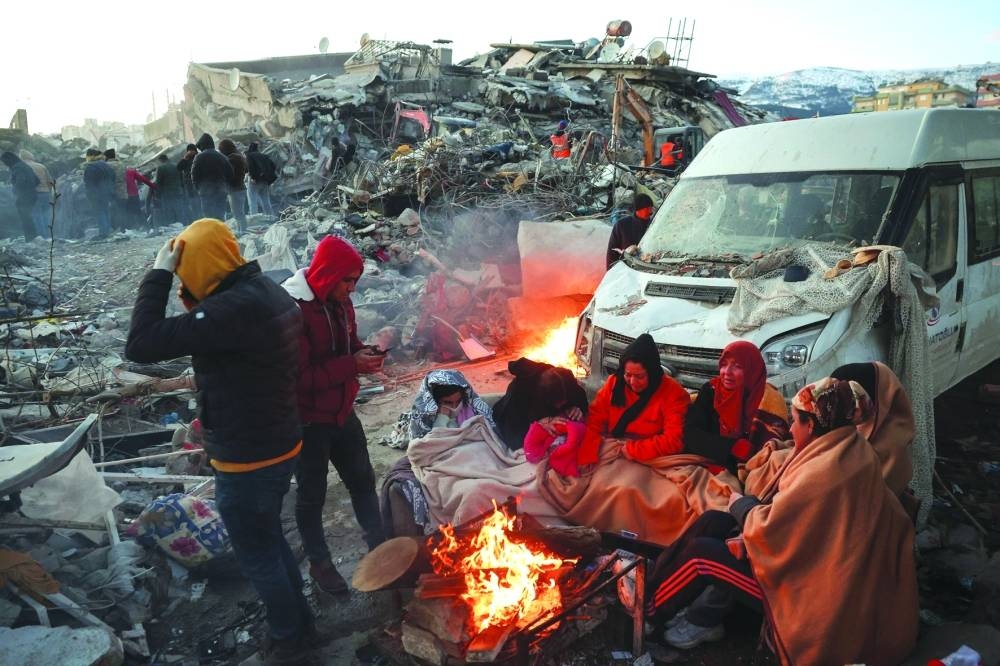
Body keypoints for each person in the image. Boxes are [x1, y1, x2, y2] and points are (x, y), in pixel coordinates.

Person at [124, 219, 315, 664]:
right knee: (270, 537)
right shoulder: (266, 289)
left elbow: (141, 343)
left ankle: (289, 638)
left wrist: (158, 274)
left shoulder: (229, 312)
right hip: (281, 439)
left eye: (185, 269)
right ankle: (301, 621)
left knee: (257, 553)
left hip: (248, 456)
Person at [646, 377, 918, 664]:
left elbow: (771, 529)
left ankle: (649, 612)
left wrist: (742, 507)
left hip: (810, 593)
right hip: (816, 566)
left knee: (701, 556)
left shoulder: (825, 471)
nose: (790, 429)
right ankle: (654, 587)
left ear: (811, 426)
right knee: (713, 519)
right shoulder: (852, 448)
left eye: (795, 421)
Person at [281, 235, 386, 595]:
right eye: (347, 280)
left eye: (355, 281)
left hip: (342, 410)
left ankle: (380, 547)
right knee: (312, 494)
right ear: (327, 274)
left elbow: (348, 345)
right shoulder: (294, 310)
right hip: (309, 420)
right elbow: (299, 378)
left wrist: (364, 354)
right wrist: (351, 365)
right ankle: (320, 563)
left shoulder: (341, 302)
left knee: (362, 480)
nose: (352, 288)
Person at [380, 369, 497, 538]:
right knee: (473, 493)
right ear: (435, 401)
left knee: (490, 484)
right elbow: (424, 448)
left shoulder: (470, 409)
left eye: (457, 401)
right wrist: (442, 418)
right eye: (447, 402)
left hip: (476, 456)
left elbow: (484, 433)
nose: (454, 407)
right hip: (444, 464)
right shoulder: (425, 416)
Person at [576, 333, 690, 465]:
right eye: (628, 375)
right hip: (613, 447)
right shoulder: (615, 383)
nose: (633, 382)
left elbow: (674, 440)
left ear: (652, 372)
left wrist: (632, 450)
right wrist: (588, 455)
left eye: (640, 377)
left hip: (650, 455)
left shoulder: (674, 394)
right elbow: (595, 419)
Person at [684, 340, 789, 473]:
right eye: (724, 364)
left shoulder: (769, 400)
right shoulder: (711, 391)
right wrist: (731, 447)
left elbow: (769, 453)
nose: (727, 372)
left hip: (751, 471)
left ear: (752, 370)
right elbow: (691, 434)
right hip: (706, 463)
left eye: (737, 366)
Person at [491, 358, 588, 452]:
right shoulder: (521, 390)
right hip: (518, 421)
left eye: (564, 402)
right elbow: (513, 435)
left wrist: (576, 409)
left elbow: (582, 404)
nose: (559, 407)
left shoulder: (567, 384)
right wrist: (538, 424)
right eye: (557, 403)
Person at [191, 133, 234, 221]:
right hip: (220, 190)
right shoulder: (222, 156)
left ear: (203, 145)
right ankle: (220, 229)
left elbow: (194, 175)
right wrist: (225, 185)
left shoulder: (199, 157)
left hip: (206, 191)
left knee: (208, 217)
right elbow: (230, 173)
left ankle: (211, 229)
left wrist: (198, 188)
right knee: (220, 215)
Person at [606, 193, 655, 269]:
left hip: (651, 267)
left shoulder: (654, 224)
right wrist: (611, 272)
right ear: (638, 210)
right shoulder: (621, 225)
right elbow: (611, 254)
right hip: (628, 270)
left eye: (651, 209)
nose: (650, 212)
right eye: (647, 209)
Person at [1, 151, 40, 241]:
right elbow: (37, 181)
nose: (5, 164)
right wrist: (30, 187)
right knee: (28, 217)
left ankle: (30, 238)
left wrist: (15, 190)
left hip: (24, 196)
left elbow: (20, 181)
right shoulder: (25, 166)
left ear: (8, 160)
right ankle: (33, 237)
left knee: (25, 218)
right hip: (33, 195)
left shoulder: (17, 168)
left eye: (4, 162)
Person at [18, 150, 54, 239]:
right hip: (46, 193)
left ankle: (42, 237)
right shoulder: (41, 166)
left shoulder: (22, 167)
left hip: (34, 194)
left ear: (21, 158)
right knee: (46, 215)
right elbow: (50, 181)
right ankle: (49, 236)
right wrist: (50, 193)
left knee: (37, 215)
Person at [82, 149, 115, 240]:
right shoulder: (106, 165)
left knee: (100, 212)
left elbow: (89, 183)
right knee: (106, 211)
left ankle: (103, 233)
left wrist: (91, 195)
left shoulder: (90, 167)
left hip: (96, 194)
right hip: (107, 192)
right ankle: (107, 231)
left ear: (91, 156)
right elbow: (113, 177)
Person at [218, 139, 248, 235]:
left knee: (238, 213)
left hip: (235, 189)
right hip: (240, 187)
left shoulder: (232, 158)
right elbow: (246, 170)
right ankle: (242, 231)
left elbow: (229, 174)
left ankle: (243, 232)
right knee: (239, 212)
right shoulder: (239, 156)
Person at [153, 153, 185, 230]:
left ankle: (171, 228)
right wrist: (183, 191)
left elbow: (159, 183)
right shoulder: (177, 165)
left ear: (161, 160)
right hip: (178, 192)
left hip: (167, 194)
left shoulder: (161, 168)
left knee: (168, 212)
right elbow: (182, 179)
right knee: (179, 210)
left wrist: (157, 195)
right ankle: (181, 226)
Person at [246, 142, 277, 217]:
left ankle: (254, 217)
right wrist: (267, 176)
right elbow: (273, 165)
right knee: (266, 200)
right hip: (265, 181)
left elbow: (250, 167)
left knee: (252, 200)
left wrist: (253, 177)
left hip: (254, 181)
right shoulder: (264, 156)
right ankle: (270, 216)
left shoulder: (249, 155)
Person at [103, 149, 128, 231]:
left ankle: (114, 228)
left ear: (106, 156)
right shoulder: (122, 164)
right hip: (123, 190)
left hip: (112, 191)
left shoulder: (106, 165)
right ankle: (123, 228)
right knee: (122, 210)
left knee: (112, 211)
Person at [177, 143, 198, 219]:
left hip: (198, 185)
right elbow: (178, 167)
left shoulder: (198, 157)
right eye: (189, 151)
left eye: (192, 150)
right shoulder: (186, 160)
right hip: (189, 186)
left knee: (198, 203)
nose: (190, 152)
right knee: (193, 204)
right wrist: (185, 158)